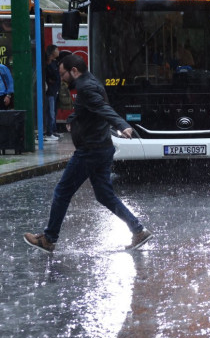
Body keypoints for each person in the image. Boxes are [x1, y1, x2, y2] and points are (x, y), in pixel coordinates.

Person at [24, 54, 153, 253]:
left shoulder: (85, 87)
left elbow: (102, 108)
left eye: (64, 74)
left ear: (74, 70)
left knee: (62, 191)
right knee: (104, 195)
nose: (63, 78)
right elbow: (90, 108)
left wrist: (122, 125)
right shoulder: (91, 82)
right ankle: (138, 230)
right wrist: (74, 117)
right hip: (102, 148)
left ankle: (49, 239)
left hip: (90, 151)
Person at [43, 45, 60, 141]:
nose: (58, 51)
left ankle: (53, 130)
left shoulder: (55, 63)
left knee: (53, 111)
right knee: (50, 112)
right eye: (56, 49)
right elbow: (50, 77)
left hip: (55, 90)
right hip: (50, 91)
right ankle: (49, 133)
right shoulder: (48, 63)